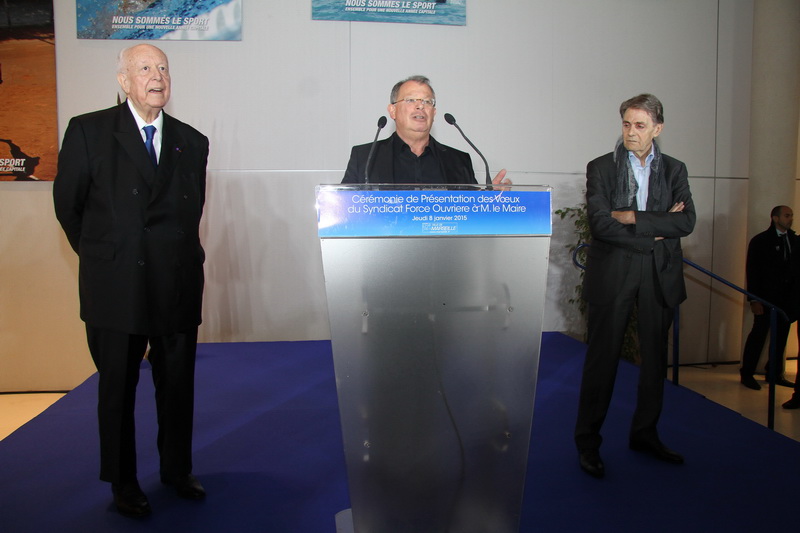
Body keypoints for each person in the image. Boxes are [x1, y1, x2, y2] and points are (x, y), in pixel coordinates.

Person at [53, 44, 209, 518]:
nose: (156, 76)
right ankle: (123, 482)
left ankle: (176, 470)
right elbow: (68, 207)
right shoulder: (88, 131)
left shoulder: (193, 141)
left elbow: (190, 211)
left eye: (163, 68)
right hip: (115, 286)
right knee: (117, 389)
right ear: (124, 81)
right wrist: (107, 256)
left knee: (178, 387)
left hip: (176, 283)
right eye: (145, 69)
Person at [574, 94, 696, 479]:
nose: (630, 132)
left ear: (657, 129)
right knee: (602, 362)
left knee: (654, 363)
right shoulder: (602, 168)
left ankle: (645, 434)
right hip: (614, 274)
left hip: (659, 275)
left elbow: (686, 221)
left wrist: (632, 217)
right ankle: (588, 443)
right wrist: (655, 228)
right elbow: (601, 224)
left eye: (640, 125)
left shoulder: (675, 170)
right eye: (626, 124)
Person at [342, 75, 508, 185]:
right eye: (411, 100)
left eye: (427, 102)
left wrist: (490, 201)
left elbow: (471, 214)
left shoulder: (459, 161)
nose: (420, 106)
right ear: (392, 111)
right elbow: (344, 210)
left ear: (433, 113)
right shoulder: (365, 158)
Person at [739, 206, 799, 391]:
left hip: (787, 300)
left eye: (791, 216)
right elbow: (753, 271)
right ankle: (747, 373)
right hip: (765, 298)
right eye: (787, 215)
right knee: (758, 335)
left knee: (781, 337)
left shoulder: (794, 240)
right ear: (775, 218)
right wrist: (754, 299)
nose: (790, 219)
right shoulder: (760, 241)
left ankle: (774, 373)